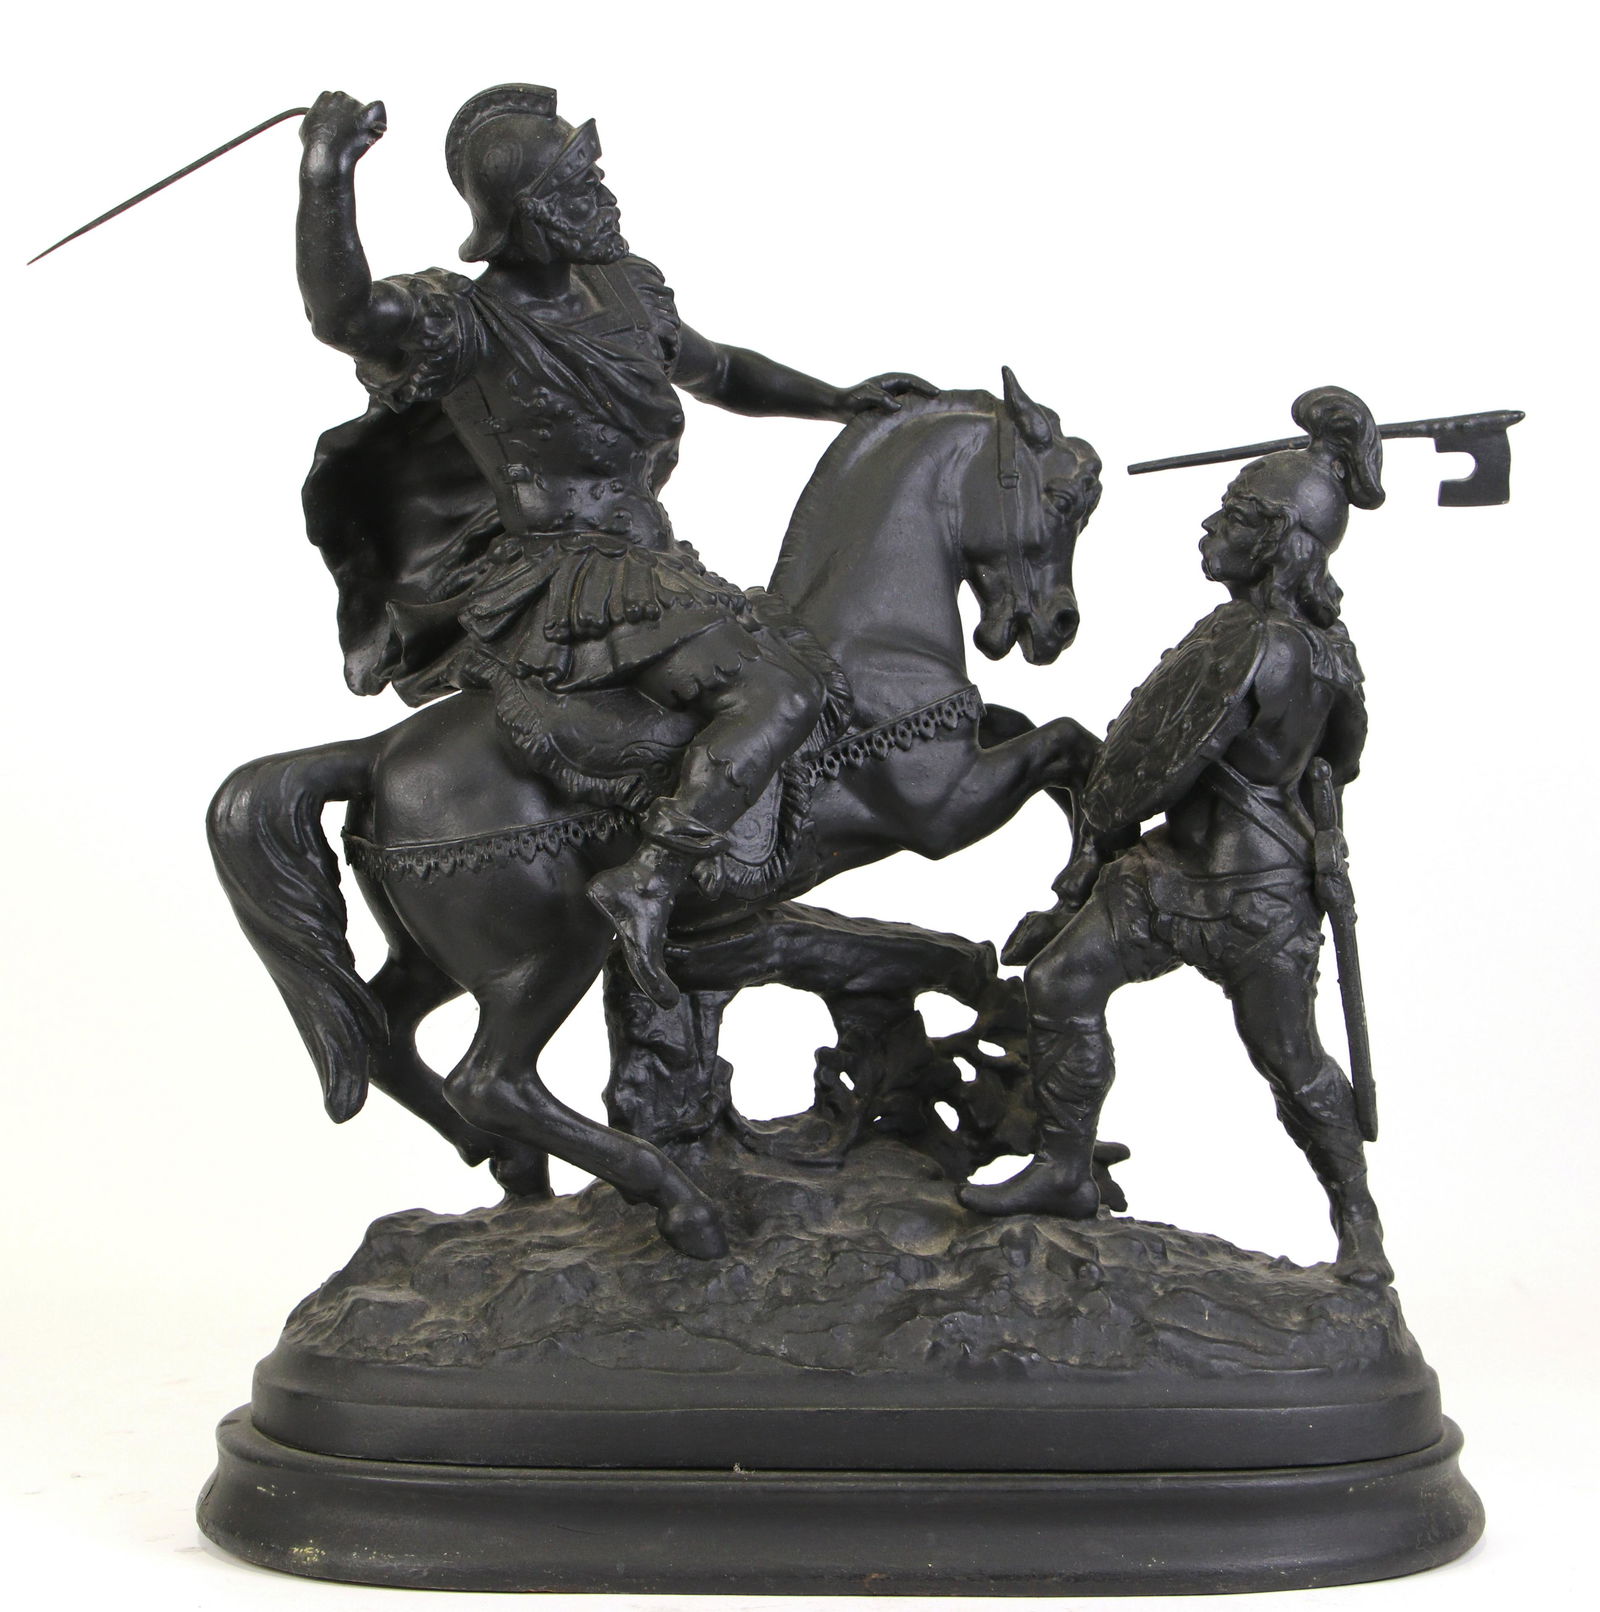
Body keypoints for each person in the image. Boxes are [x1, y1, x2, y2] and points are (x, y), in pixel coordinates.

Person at [296, 85, 934, 1008]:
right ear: (528, 214)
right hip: (567, 576)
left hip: (655, 564)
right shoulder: (464, 323)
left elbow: (720, 370)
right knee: (779, 692)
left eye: (594, 175)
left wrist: (836, 400)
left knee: (804, 668)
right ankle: (650, 880)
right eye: (580, 184)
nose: (604, 196)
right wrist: (327, 171)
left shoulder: (625, 291)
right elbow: (344, 314)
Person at [961, 386, 1391, 1285]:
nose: (1210, 525)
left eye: (1232, 514)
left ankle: (1358, 1227)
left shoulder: (1248, 641)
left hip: (1228, 891)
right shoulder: (1332, 650)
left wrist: (1087, 856)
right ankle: (1070, 1171)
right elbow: (1342, 759)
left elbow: (1157, 764)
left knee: (1286, 1058)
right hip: (1239, 883)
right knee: (1072, 984)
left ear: (1272, 538)